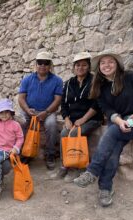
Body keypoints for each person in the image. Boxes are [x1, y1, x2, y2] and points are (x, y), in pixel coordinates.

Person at [73, 50, 133, 207]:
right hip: (119, 121)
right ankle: (105, 188)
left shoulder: (132, 77)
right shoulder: (101, 87)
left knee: (111, 132)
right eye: (103, 63)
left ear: (117, 64)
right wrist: (119, 121)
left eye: (110, 62)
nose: (107, 65)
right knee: (113, 149)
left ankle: (92, 171)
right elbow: (107, 110)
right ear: (99, 67)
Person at [51, 52, 103, 182]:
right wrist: (67, 119)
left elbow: (97, 104)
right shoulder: (69, 83)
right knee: (64, 133)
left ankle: (75, 168)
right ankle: (65, 165)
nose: (81, 67)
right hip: (73, 119)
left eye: (84, 65)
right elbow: (63, 104)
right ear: (74, 67)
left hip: (92, 119)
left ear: (89, 66)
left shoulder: (94, 81)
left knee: (74, 134)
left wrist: (83, 119)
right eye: (78, 65)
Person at [18, 51, 63, 169]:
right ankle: (24, 152)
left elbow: (58, 100)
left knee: (52, 125)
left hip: (48, 112)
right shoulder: (27, 79)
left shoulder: (57, 81)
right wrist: (27, 110)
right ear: (36, 64)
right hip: (30, 110)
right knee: (21, 122)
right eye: (40, 62)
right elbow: (21, 98)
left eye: (46, 63)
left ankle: (50, 155)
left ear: (50, 65)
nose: (43, 65)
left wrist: (46, 112)